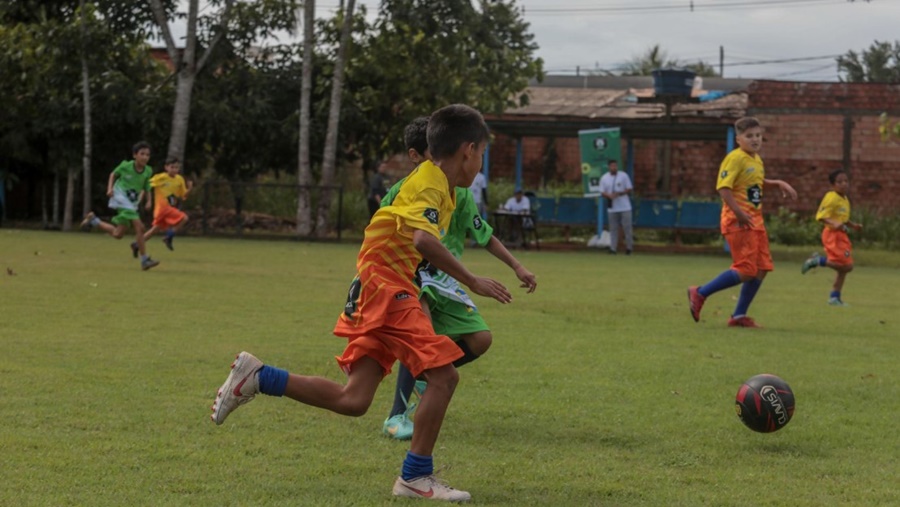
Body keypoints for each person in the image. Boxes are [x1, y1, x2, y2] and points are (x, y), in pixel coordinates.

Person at [210, 104, 511, 502]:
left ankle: (259, 376)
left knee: (353, 400)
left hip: (379, 284)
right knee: (444, 376)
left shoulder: (441, 187)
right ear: (469, 150)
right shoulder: (430, 182)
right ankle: (415, 476)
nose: (481, 162)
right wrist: (473, 280)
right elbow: (423, 240)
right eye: (484, 153)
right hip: (387, 286)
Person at [380, 116, 537, 441]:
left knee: (480, 340)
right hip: (411, 274)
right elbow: (391, 235)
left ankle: (425, 380)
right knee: (419, 339)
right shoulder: (406, 190)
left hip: (444, 277)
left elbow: (484, 234)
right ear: (418, 156)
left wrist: (517, 266)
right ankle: (397, 415)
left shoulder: (460, 194)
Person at [686, 117, 797, 328]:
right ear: (738, 139)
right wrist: (738, 213)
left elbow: (756, 182)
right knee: (746, 270)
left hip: (755, 222)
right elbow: (723, 188)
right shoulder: (734, 158)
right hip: (738, 222)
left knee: (762, 268)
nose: (755, 139)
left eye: (758, 135)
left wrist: (778, 183)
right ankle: (700, 293)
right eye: (749, 136)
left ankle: (738, 316)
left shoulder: (756, 159)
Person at [81, 141, 160, 271]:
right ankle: (145, 259)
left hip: (131, 201)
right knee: (139, 227)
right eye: (142, 154)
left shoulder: (148, 171)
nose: (145, 157)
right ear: (135, 155)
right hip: (120, 196)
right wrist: (110, 189)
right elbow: (113, 174)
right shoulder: (126, 166)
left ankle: (93, 220)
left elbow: (147, 187)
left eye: (147, 155)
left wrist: (149, 201)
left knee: (118, 234)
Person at [800, 169, 862, 306]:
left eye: (846, 181)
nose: (844, 184)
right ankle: (817, 261)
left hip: (842, 235)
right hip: (832, 235)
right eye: (839, 182)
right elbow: (821, 217)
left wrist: (853, 226)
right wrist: (835, 224)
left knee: (844, 268)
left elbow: (842, 219)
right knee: (847, 266)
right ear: (832, 185)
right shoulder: (831, 197)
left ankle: (834, 297)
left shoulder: (844, 199)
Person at [130, 157, 192, 256]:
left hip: (168, 209)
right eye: (172, 167)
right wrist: (146, 200)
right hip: (162, 208)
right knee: (184, 218)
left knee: (155, 229)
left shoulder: (179, 179)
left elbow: (183, 195)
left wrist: (189, 189)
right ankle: (169, 236)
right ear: (166, 167)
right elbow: (146, 186)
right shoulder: (160, 177)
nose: (174, 170)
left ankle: (136, 244)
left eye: (177, 168)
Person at [599, 160, 634, 255]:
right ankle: (613, 248)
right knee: (613, 228)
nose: (614, 168)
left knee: (627, 228)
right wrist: (609, 195)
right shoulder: (604, 178)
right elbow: (602, 191)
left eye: (615, 166)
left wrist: (620, 193)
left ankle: (629, 247)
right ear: (609, 167)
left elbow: (629, 188)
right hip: (612, 207)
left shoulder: (623, 176)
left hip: (625, 207)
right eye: (612, 166)